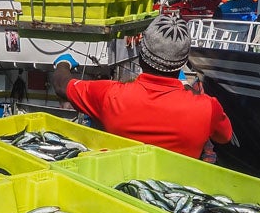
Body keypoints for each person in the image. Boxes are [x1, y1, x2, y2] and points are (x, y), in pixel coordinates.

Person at [50, 14, 232, 158]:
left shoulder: (110, 95)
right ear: (183, 61)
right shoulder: (208, 107)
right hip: (178, 197)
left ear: (142, 56)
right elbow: (225, 137)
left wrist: (63, 63)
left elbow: (61, 85)